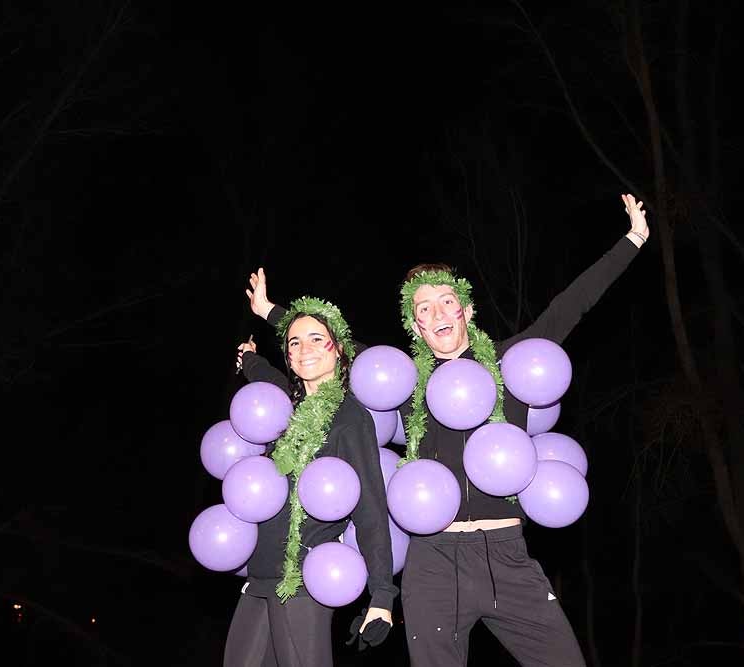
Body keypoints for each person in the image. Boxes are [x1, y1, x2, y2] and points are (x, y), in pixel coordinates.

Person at [246, 193, 649, 665]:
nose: (436, 314)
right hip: (433, 563)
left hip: (507, 557)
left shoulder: (511, 363)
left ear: (466, 311)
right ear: (415, 328)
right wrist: (272, 313)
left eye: (445, 302)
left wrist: (633, 239)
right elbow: (336, 347)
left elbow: (571, 306)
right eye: (423, 309)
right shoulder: (407, 383)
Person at [223, 297, 396, 667]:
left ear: (339, 349)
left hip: (303, 582)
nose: (305, 349)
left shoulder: (350, 417)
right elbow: (267, 377)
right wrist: (250, 357)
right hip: (259, 575)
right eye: (295, 342)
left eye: (318, 339)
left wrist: (382, 595)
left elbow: (370, 508)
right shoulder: (284, 406)